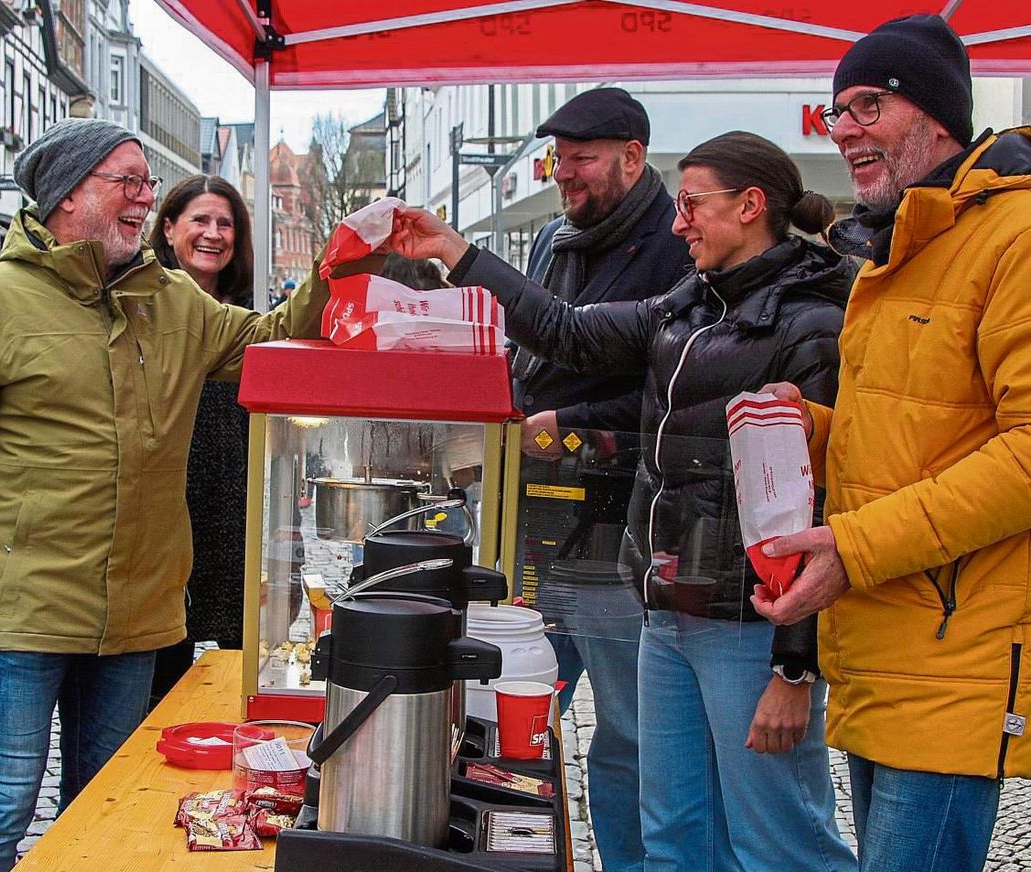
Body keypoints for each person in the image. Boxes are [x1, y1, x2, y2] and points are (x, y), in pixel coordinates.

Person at [387, 130, 857, 871]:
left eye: (693, 205)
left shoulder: (811, 324)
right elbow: (566, 331)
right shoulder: (687, 305)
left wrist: (794, 670)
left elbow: (824, 504)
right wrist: (456, 251)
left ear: (751, 206)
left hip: (749, 626)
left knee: (776, 842)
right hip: (666, 610)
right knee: (670, 833)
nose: (679, 223)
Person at [0, 118, 330, 872]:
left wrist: (342, 258)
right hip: (22, 609)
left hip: (137, 614)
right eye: (125, 180)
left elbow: (276, 333)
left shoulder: (174, 302)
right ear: (66, 197)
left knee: (105, 798)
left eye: (145, 184)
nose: (142, 197)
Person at [752, 15, 1031, 872]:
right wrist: (812, 425)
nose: (844, 130)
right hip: (882, 646)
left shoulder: (1014, 237)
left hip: (954, 656)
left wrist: (857, 547)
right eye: (836, 111)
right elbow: (919, 432)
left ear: (938, 113)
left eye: (869, 104)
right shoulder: (900, 245)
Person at [425, 88, 690, 871]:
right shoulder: (550, 239)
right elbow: (535, 354)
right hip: (528, 525)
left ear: (632, 158)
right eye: (558, 158)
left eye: (580, 158)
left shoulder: (677, 248)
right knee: (505, 716)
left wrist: (567, 427)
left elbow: (659, 383)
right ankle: (506, 853)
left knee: (630, 736)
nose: (563, 173)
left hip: (617, 532)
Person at [146, 174, 253, 707]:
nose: (214, 233)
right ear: (168, 229)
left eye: (225, 223)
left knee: (241, 658)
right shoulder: (140, 306)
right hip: (167, 503)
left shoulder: (252, 314)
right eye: (200, 220)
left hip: (235, 504)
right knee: (163, 657)